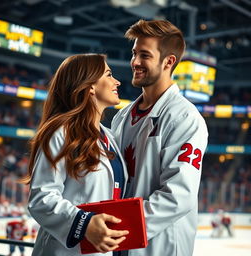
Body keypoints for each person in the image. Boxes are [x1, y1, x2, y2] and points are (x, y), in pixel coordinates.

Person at [111, 19, 208, 256]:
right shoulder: (121, 117)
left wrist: (121, 227)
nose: (135, 62)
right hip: (118, 245)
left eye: (145, 55)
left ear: (168, 62)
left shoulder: (186, 118)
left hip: (159, 248)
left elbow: (178, 196)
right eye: (134, 53)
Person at [22, 54, 129, 256]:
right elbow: (42, 198)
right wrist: (85, 223)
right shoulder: (61, 132)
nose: (117, 81)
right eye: (109, 74)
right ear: (90, 86)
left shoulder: (109, 137)